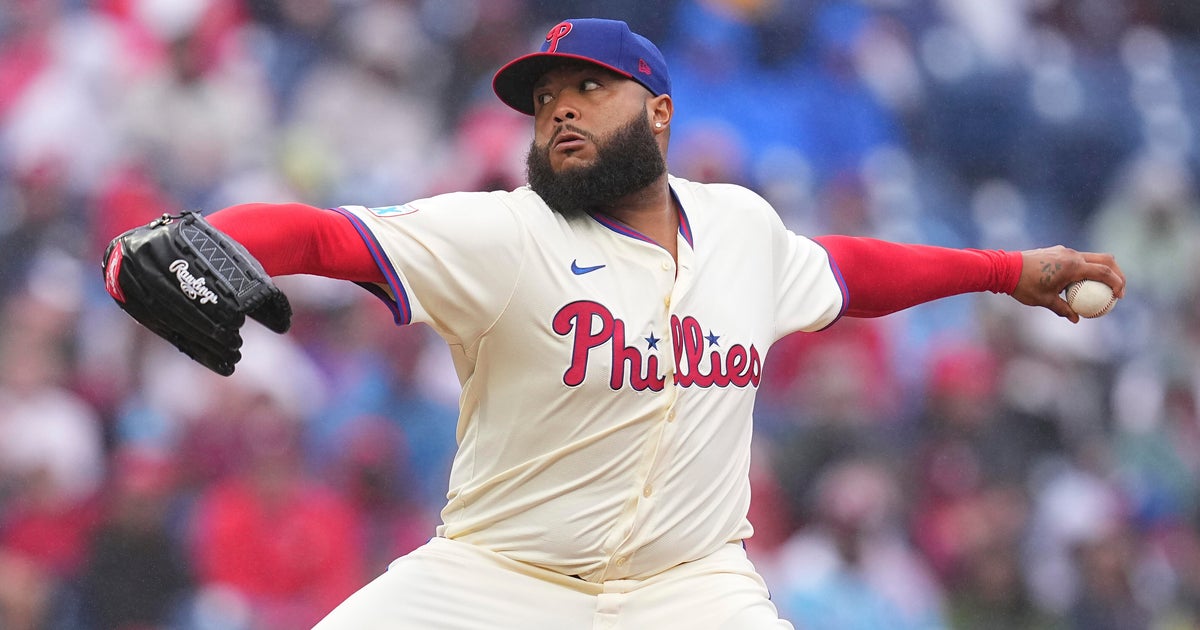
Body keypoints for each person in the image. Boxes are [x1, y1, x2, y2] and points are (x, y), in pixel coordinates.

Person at [106, 17, 1126, 629]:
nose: (559, 109)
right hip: (495, 581)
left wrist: (1008, 270)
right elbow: (326, 235)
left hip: (691, 591)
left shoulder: (740, 226)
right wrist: (184, 238)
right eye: (545, 97)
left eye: (589, 89)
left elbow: (845, 271)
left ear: (661, 113)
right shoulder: (504, 233)